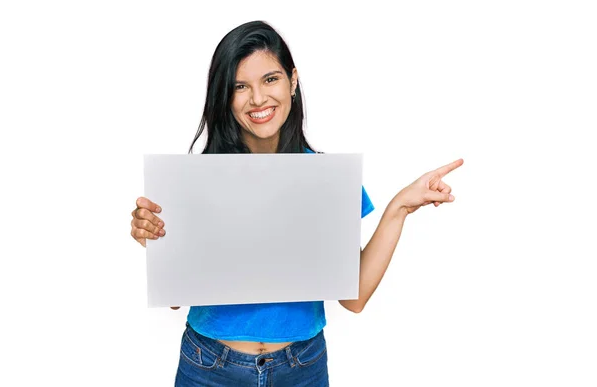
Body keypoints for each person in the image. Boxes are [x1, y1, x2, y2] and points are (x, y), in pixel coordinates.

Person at [130, 20, 463, 386]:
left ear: (293, 81)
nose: (258, 99)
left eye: (270, 80)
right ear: (224, 95)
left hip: (301, 367)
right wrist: (155, 238)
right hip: (209, 366)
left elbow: (354, 299)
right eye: (240, 86)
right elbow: (178, 297)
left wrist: (399, 207)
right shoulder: (193, 179)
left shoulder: (324, 178)